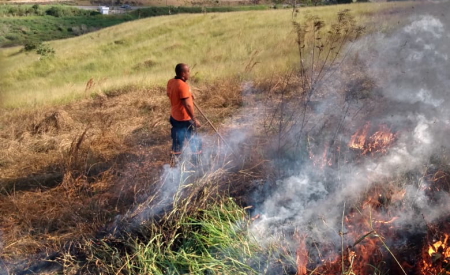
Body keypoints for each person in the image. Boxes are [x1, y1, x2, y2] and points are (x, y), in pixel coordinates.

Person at [167, 63, 202, 165]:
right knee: (194, 141)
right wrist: (194, 119)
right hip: (185, 119)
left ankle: (175, 164)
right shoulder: (183, 86)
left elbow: (169, 93)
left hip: (174, 116)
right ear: (183, 73)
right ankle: (197, 163)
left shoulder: (171, 82)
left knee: (177, 141)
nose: (189, 73)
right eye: (188, 71)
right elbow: (187, 105)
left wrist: (188, 95)